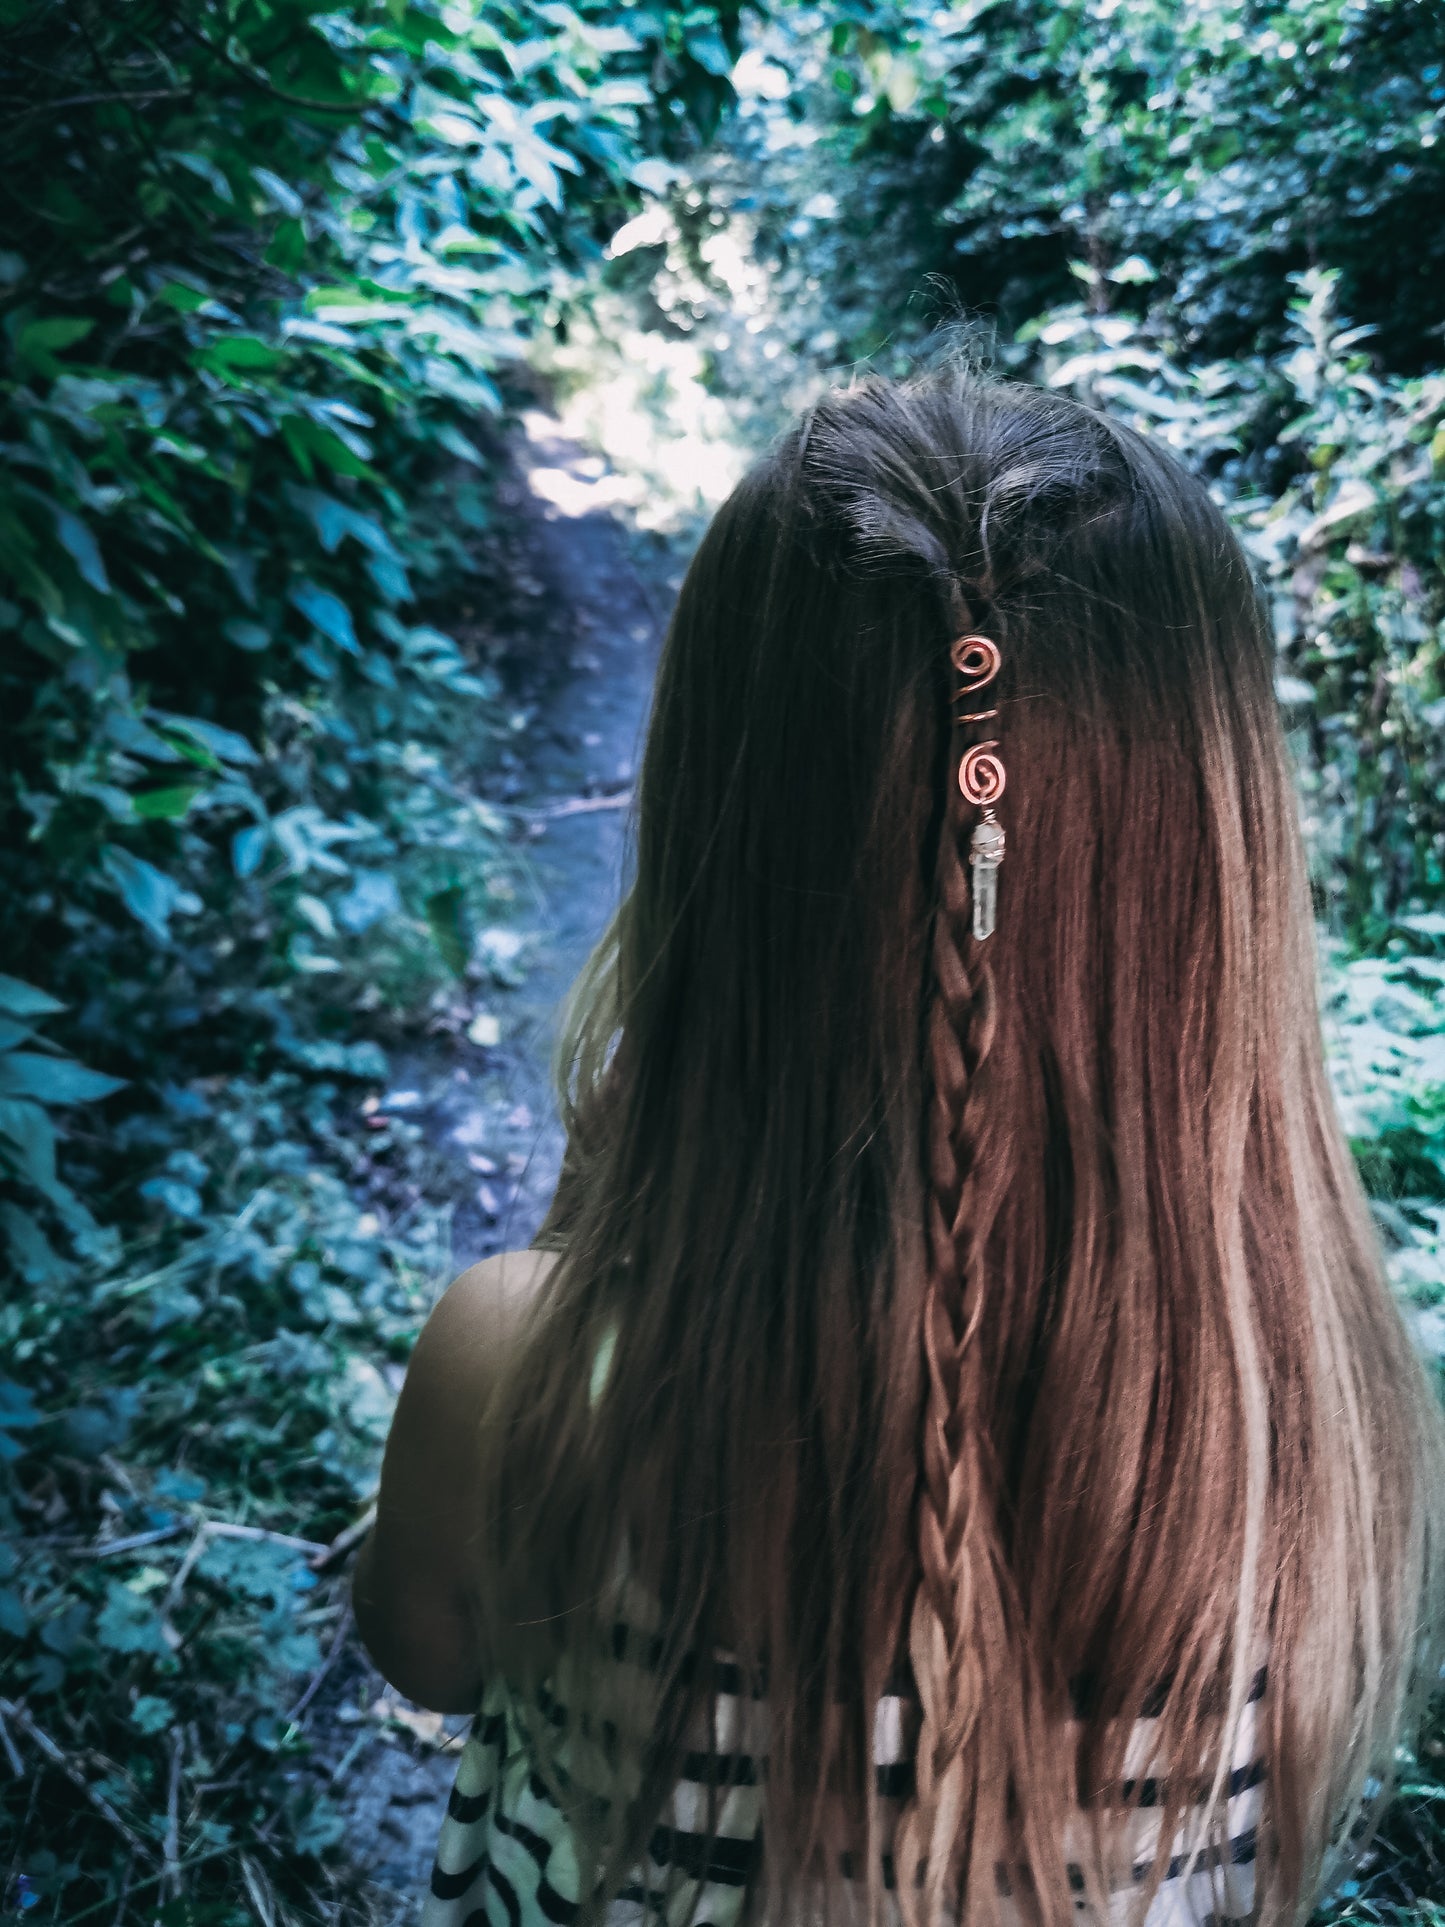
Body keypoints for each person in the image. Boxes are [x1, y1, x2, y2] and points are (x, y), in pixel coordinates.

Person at [352, 372, 1445, 1927]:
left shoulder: (518, 1369)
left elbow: (424, 1648)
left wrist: (598, 1225)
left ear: (716, 834)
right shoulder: (1328, 1429)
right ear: (1219, 886)